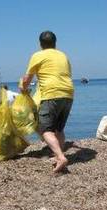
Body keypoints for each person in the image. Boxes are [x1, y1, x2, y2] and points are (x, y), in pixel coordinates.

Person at [21, 31, 74, 173]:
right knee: (59, 129)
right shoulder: (63, 55)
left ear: (40, 44)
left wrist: (23, 89)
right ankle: (57, 155)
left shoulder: (37, 56)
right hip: (68, 93)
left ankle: (61, 157)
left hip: (51, 94)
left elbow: (27, 79)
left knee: (45, 129)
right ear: (55, 43)